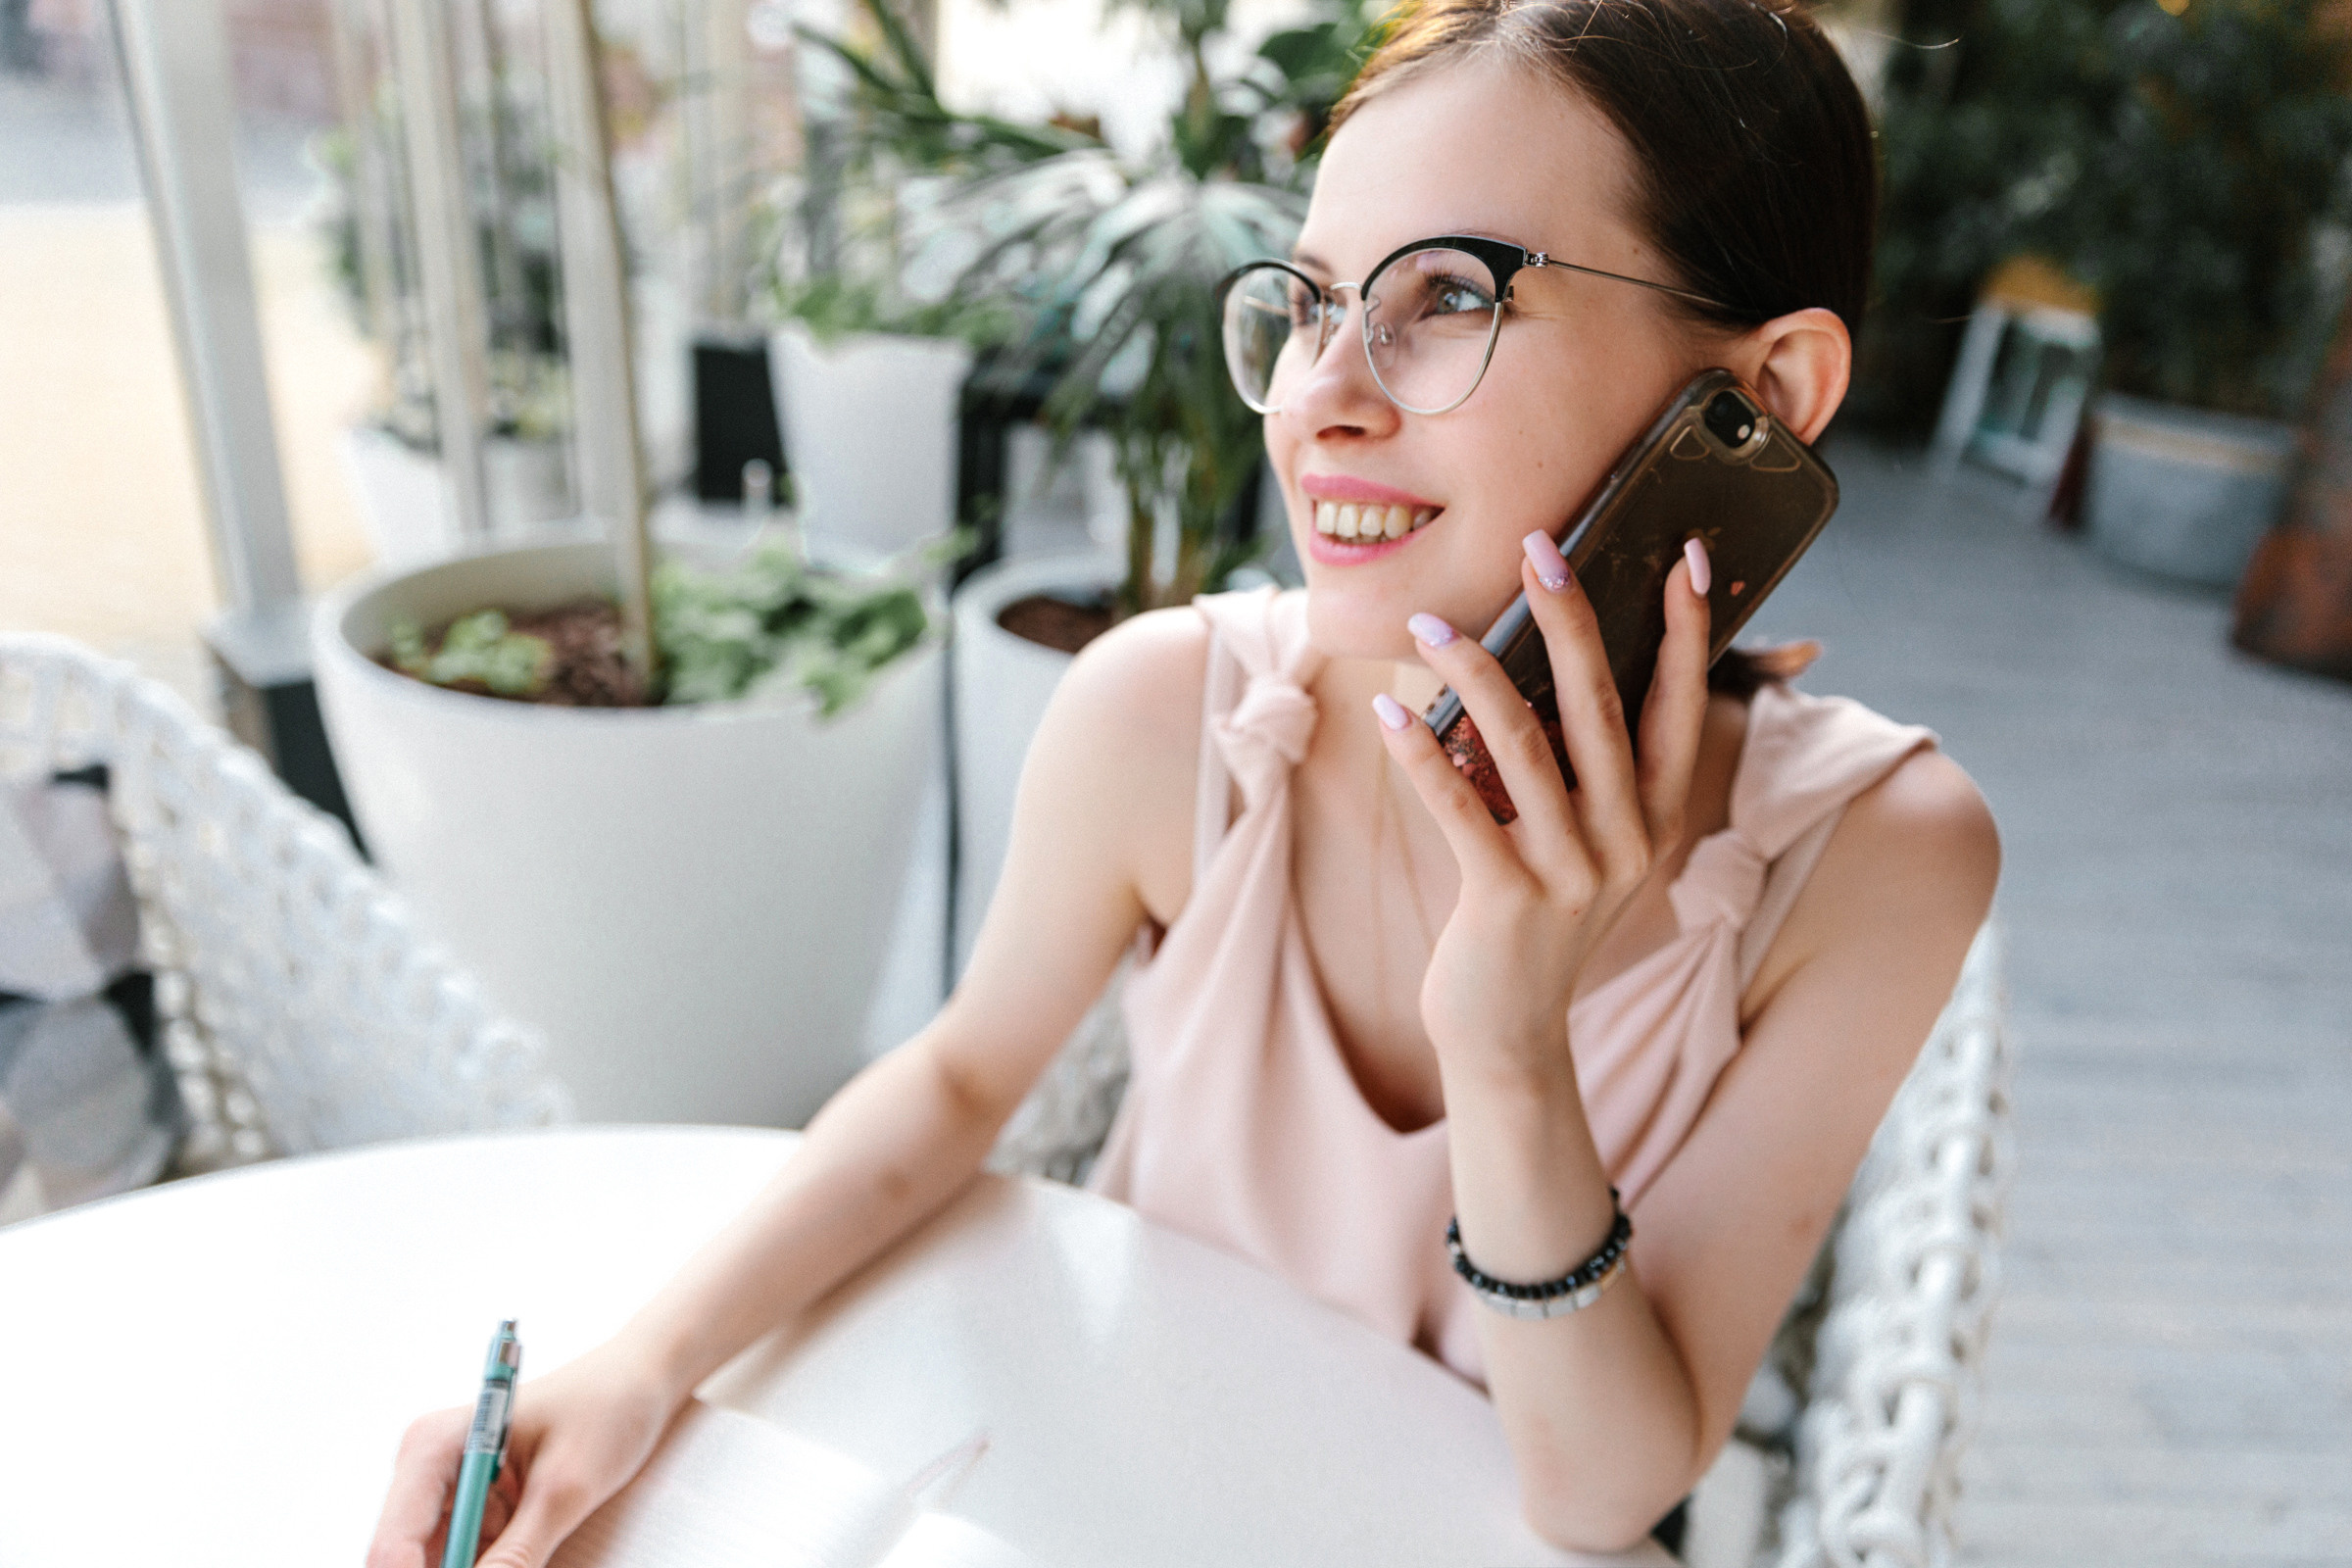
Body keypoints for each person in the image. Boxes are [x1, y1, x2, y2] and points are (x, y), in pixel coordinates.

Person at [368, 0, 1999, 1559]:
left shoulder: (1875, 862)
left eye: (1447, 297)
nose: (1323, 402)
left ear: (1764, 398)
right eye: (1307, 303)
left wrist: (1508, 1045)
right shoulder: (1172, 712)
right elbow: (953, 1086)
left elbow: (1596, 1495)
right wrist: (641, 1368)